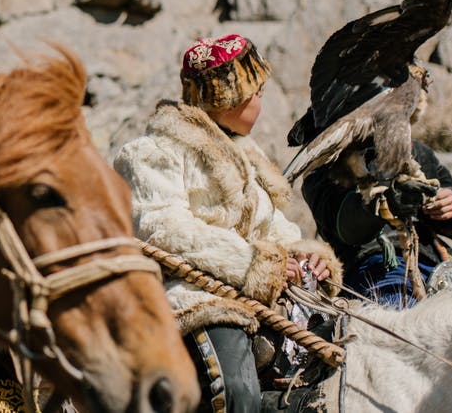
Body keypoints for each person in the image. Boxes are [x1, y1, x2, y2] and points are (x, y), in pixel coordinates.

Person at [113, 34, 341, 413]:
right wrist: (255, 264)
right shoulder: (151, 152)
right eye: (257, 93)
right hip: (189, 297)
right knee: (236, 392)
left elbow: (273, 229)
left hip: (253, 299)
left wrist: (306, 257)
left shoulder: (244, 157)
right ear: (227, 96)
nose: (261, 102)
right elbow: (162, 227)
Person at [302, 136, 452, 308]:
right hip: (374, 268)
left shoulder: (415, 151)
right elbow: (347, 227)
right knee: (401, 328)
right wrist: (386, 202)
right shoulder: (323, 167)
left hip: (437, 262)